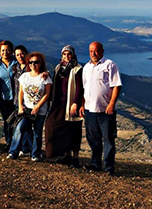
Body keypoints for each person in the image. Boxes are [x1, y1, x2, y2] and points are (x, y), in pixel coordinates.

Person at [79, 42, 122, 175]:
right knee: (93, 139)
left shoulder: (110, 65)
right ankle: (95, 164)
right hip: (89, 109)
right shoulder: (86, 67)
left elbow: (116, 86)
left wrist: (111, 104)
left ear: (102, 51)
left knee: (108, 139)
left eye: (96, 51)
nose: (93, 53)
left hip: (105, 110)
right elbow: (84, 89)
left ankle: (109, 168)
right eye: (91, 51)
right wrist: (82, 105)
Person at [7, 52, 52, 161]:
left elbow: (47, 94)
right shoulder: (24, 76)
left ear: (40, 63)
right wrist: (20, 106)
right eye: (31, 62)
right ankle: (13, 152)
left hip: (40, 110)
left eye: (36, 62)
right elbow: (21, 92)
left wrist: (37, 107)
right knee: (19, 129)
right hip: (26, 109)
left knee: (37, 133)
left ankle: (35, 154)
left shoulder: (45, 77)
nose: (33, 64)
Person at [44, 45, 84, 167]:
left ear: (73, 55)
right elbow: (56, 84)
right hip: (58, 104)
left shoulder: (77, 69)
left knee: (73, 130)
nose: (66, 57)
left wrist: (76, 103)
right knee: (52, 125)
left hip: (71, 104)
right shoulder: (58, 68)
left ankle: (75, 158)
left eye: (69, 54)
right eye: (64, 54)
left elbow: (80, 88)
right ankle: (62, 154)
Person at [0, 40, 19, 150]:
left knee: (18, 122)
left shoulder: (17, 63)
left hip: (17, 98)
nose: (5, 52)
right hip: (3, 97)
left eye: (8, 50)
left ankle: (20, 144)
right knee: (7, 121)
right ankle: (9, 143)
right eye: (3, 50)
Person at [13, 45, 33, 154]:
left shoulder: (31, 67)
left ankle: (30, 148)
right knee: (22, 126)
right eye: (17, 55)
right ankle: (26, 148)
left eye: (22, 53)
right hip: (17, 101)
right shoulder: (15, 67)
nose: (20, 56)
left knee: (26, 127)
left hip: (28, 102)